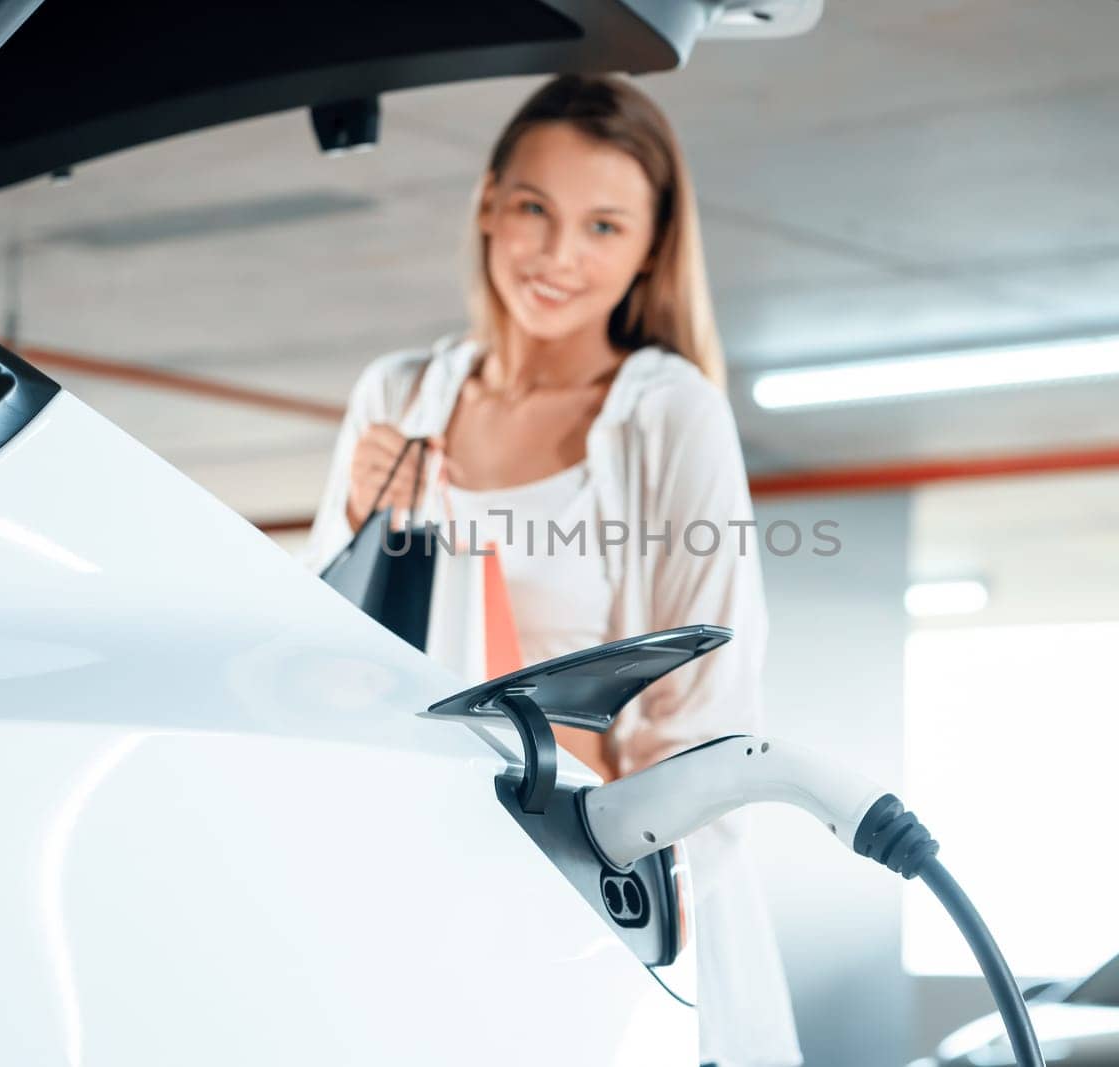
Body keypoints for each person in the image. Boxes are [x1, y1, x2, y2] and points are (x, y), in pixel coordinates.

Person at [302, 74, 801, 1067]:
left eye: (603, 226)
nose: (558, 255)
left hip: (615, 872)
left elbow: (702, 715)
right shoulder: (398, 396)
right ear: (488, 202)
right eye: (534, 208)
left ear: (650, 246)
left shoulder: (668, 412)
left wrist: (587, 829)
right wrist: (366, 523)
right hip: (435, 864)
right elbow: (319, 664)